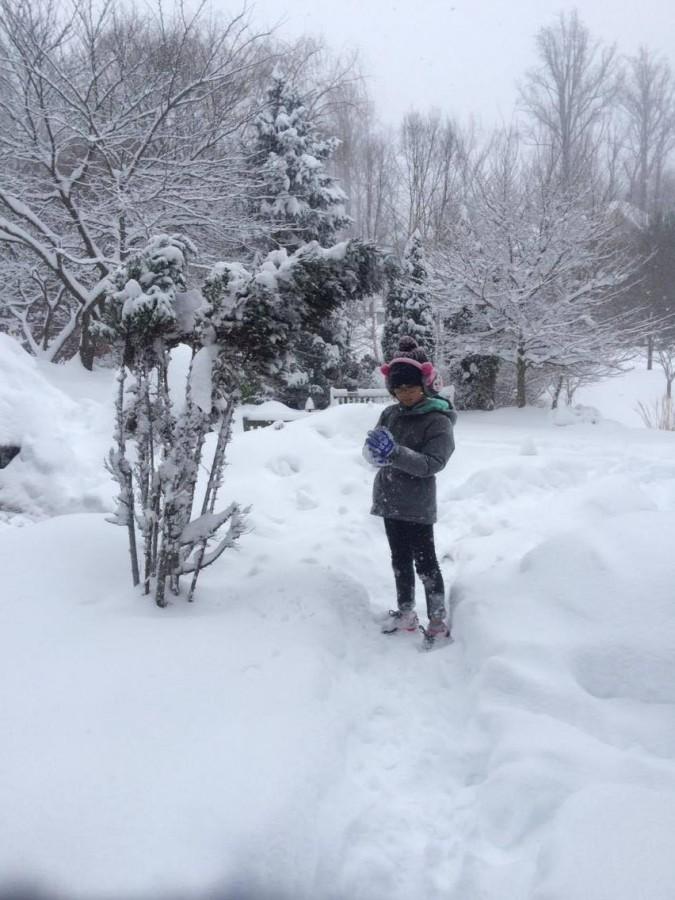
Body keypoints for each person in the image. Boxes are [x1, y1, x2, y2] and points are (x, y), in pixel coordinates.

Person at [363, 336, 457, 647]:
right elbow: (374, 448)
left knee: (426, 564)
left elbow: (433, 463)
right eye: (398, 389)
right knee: (399, 560)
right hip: (390, 500)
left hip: (417, 506)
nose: (404, 394)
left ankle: (438, 622)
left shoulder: (437, 419)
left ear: (425, 384)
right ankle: (406, 613)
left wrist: (395, 453)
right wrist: (373, 452)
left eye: (410, 387)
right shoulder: (390, 414)